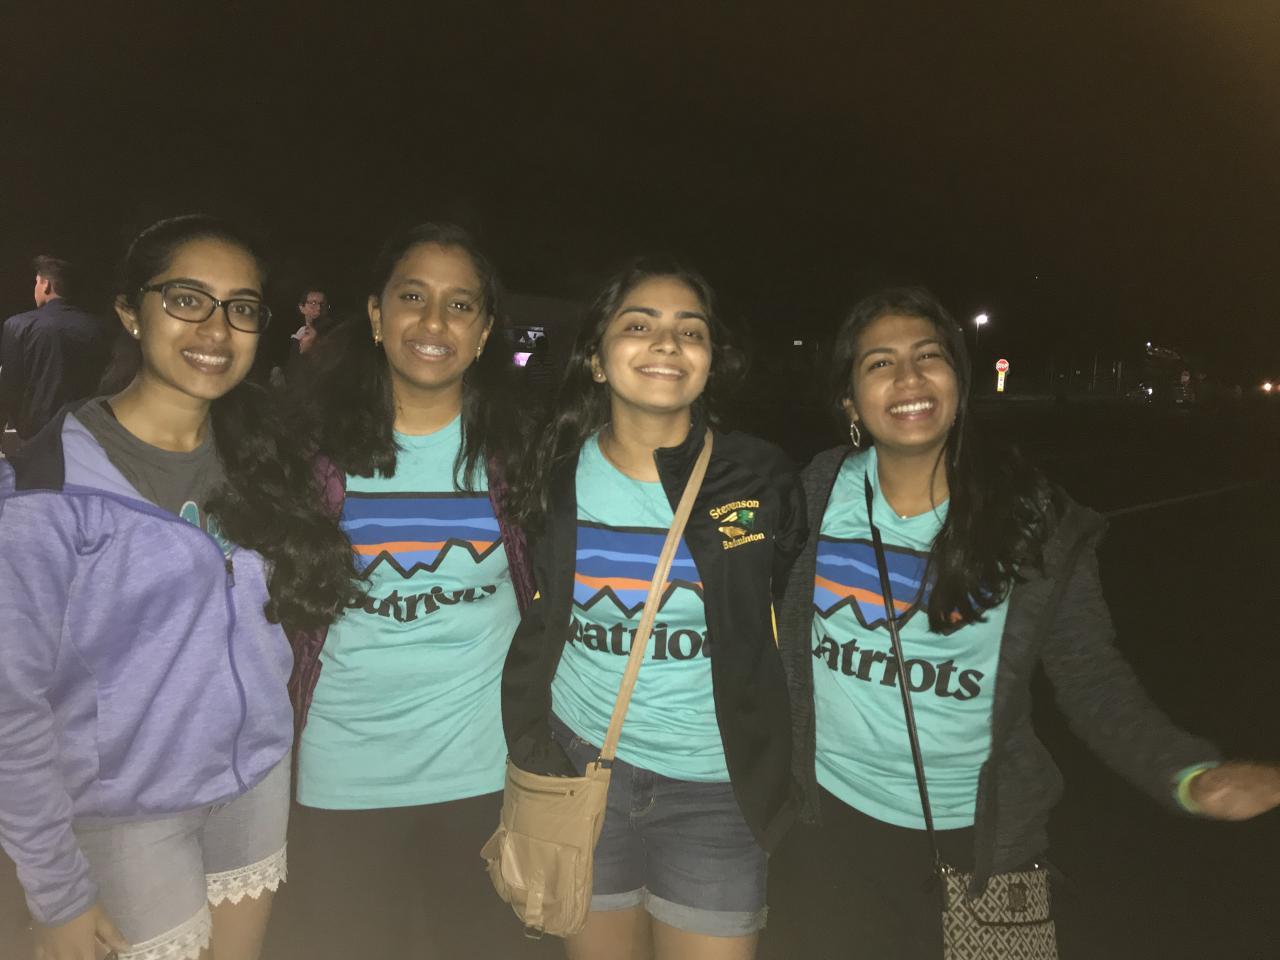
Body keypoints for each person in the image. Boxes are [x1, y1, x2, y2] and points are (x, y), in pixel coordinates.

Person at [772, 286, 1280, 959]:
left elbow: (1092, 679)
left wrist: (1188, 773)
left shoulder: (1031, 520)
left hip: (981, 842)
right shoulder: (813, 495)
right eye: (880, 363)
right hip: (827, 831)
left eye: (929, 356)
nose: (909, 377)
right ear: (849, 402)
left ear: (959, 382)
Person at [0, 215, 358, 960]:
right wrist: (57, 890)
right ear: (131, 311)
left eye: (241, 308)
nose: (217, 329)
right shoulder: (50, 491)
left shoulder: (263, 459)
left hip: (256, 780)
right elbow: (10, 707)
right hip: (126, 811)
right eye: (187, 299)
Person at [501, 259, 807, 960]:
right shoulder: (553, 472)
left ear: (710, 361)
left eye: (690, 331)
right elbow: (536, 608)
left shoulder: (759, 477)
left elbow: (787, 599)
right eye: (638, 325)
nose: (667, 342)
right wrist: (533, 739)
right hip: (581, 771)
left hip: (717, 788)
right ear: (596, 359)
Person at [274, 222, 544, 960]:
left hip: (485, 776)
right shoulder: (307, 452)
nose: (433, 323)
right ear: (375, 314)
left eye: (460, 305)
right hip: (340, 773)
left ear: (484, 332)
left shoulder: (522, 453)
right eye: (413, 297)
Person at [0, 256, 108, 442]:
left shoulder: (18, 325)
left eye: (36, 282)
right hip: (84, 432)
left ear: (46, 285)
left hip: (35, 436)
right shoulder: (99, 328)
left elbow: (9, 387)